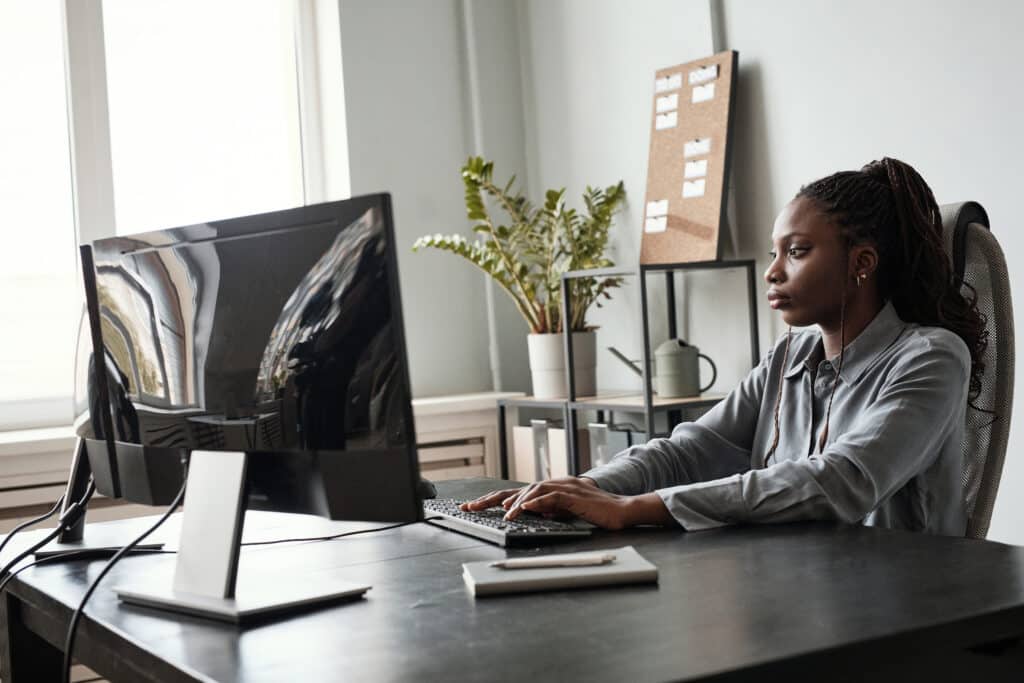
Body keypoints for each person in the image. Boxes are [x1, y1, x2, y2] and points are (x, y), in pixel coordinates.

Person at [463, 158, 988, 536]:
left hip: (909, 608)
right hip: (802, 589)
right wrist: (581, 490)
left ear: (861, 262)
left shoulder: (932, 357)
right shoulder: (787, 359)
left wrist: (635, 508)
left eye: (797, 252)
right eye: (773, 252)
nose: (773, 271)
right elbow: (688, 449)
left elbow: (840, 481)